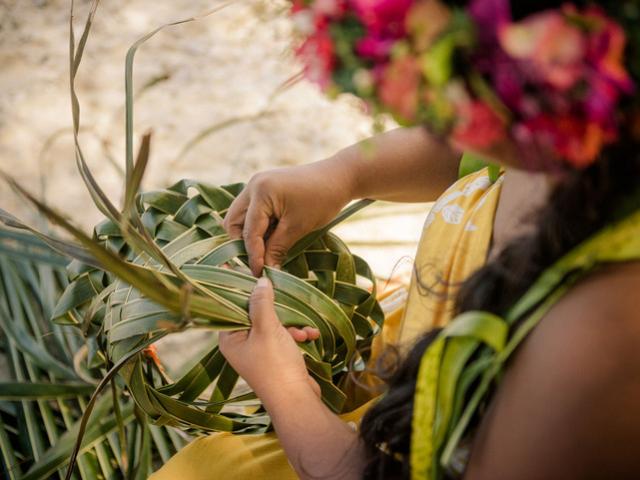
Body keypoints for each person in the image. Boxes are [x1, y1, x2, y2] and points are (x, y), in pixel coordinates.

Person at [151, 1, 640, 479]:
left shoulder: (601, 340)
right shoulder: (563, 124)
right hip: (410, 369)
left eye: (455, 98)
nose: (452, 127)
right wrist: (342, 176)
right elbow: (461, 149)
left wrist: (287, 391)